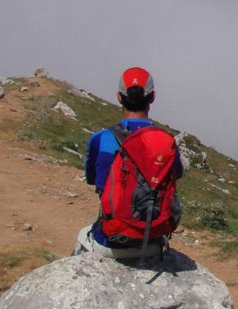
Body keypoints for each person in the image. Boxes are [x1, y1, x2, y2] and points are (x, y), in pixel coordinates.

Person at [74, 66, 184, 258]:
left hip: (112, 240)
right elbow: (178, 174)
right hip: (154, 240)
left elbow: (93, 180)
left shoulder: (101, 139)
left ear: (119, 97)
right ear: (152, 97)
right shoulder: (166, 143)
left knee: (83, 234)